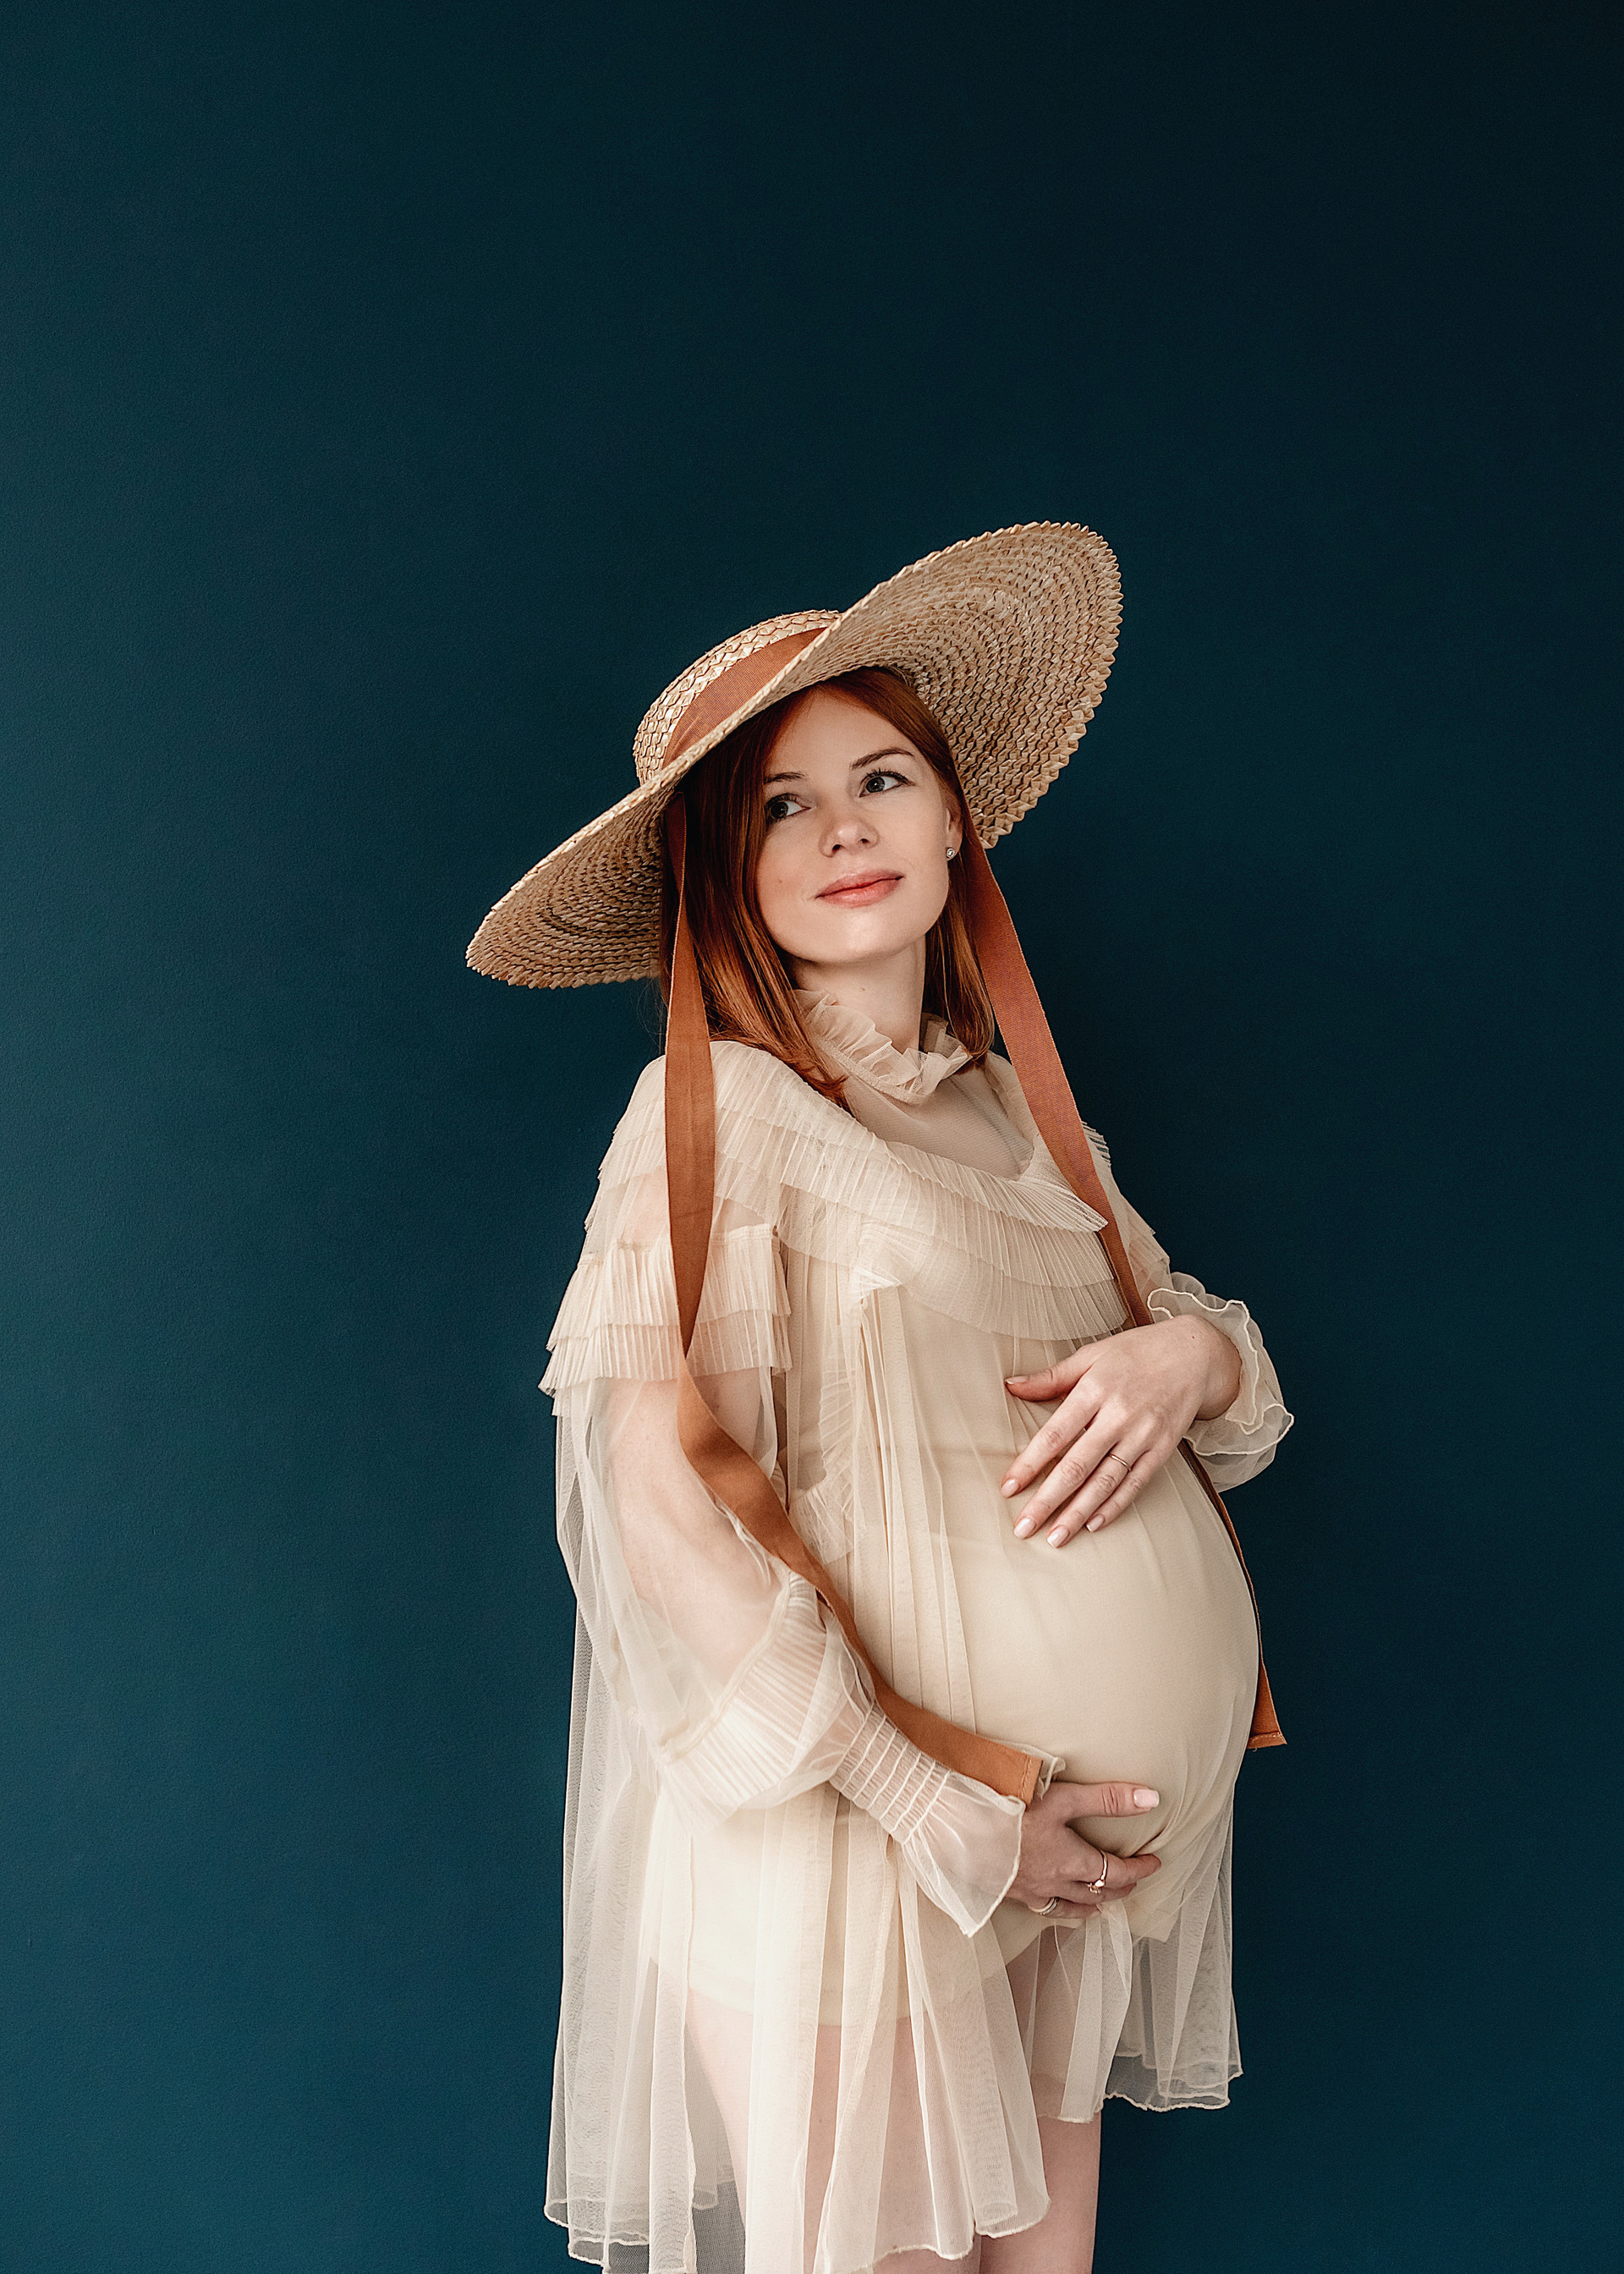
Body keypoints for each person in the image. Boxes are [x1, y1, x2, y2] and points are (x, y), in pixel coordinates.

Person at [468, 525, 1292, 2274]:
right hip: (862, 1848)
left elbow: (1221, 1389)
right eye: (780, 805)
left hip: (1063, 1847)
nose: (843, 829)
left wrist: (1191, 1358)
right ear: (723, 874)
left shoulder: (1012, 1114)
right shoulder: (720, 1120)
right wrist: (941, 1809)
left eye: (881, 779)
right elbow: (656, 1514)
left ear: (952, 819)